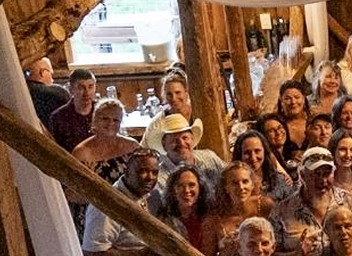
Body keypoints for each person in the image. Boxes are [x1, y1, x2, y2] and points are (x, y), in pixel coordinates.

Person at [271, 146, 352, 256]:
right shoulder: (282, 210)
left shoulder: (348, 200)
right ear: (302, 175)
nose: (322, 180)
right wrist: (295, 255)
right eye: (316, 174)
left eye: (327, 174)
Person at [70, 98, 138, 233]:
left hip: (128, 213)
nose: (110, 124)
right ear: (94, 120)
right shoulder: (81, 152)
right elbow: (71, 193)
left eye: (116, 120)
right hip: (92, 215)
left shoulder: (132, 147)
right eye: (105, 119)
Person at [153, 113, 224, 207]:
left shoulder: (210, 158)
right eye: (175, 140)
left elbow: (230, 178)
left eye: (185, 138)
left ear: (192, 139)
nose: (181, 143)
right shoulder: (158, 176)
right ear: (164, 145)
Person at [140, 69, 196, 150]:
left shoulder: (198, 113)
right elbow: (144, 147)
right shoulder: (158, 122)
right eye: (169, 94)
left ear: (186, 92)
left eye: (178, 92)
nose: (174, 98)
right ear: (164, 96)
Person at [233, 128, 292, 202]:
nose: (253, 157)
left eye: (257, 151)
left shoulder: (280, 180)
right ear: (239, 154)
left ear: (265, 151)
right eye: (247, 153)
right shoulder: (232, 184)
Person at [49, 67, 96, 151]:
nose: (87, 93)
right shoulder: (59, 117)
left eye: (90, 87)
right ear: (71, 89)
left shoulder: (102, 111)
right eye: (81, 87)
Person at [24, 55, 68, 129]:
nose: (52, 79)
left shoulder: (22, 93)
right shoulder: (58, 93)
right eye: (51, 73)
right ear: (42, 72)